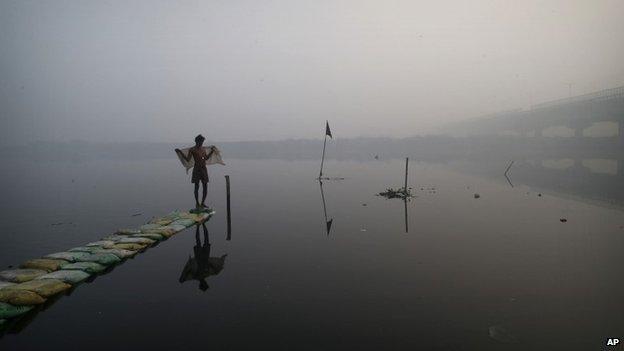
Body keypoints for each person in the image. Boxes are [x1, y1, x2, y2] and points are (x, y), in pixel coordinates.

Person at [175, 134, 215, 209]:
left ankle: (203, 203)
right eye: (201, 141)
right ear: (197, 141)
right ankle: (197, 203)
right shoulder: (192, 149)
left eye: (202, 142)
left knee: (205, 186)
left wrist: (211, 152)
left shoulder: (203, 149)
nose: (202, 143)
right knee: (196, 186)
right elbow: (187, 159)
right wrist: (180, 152)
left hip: (203, 169)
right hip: (196, 169)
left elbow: (206, 158)